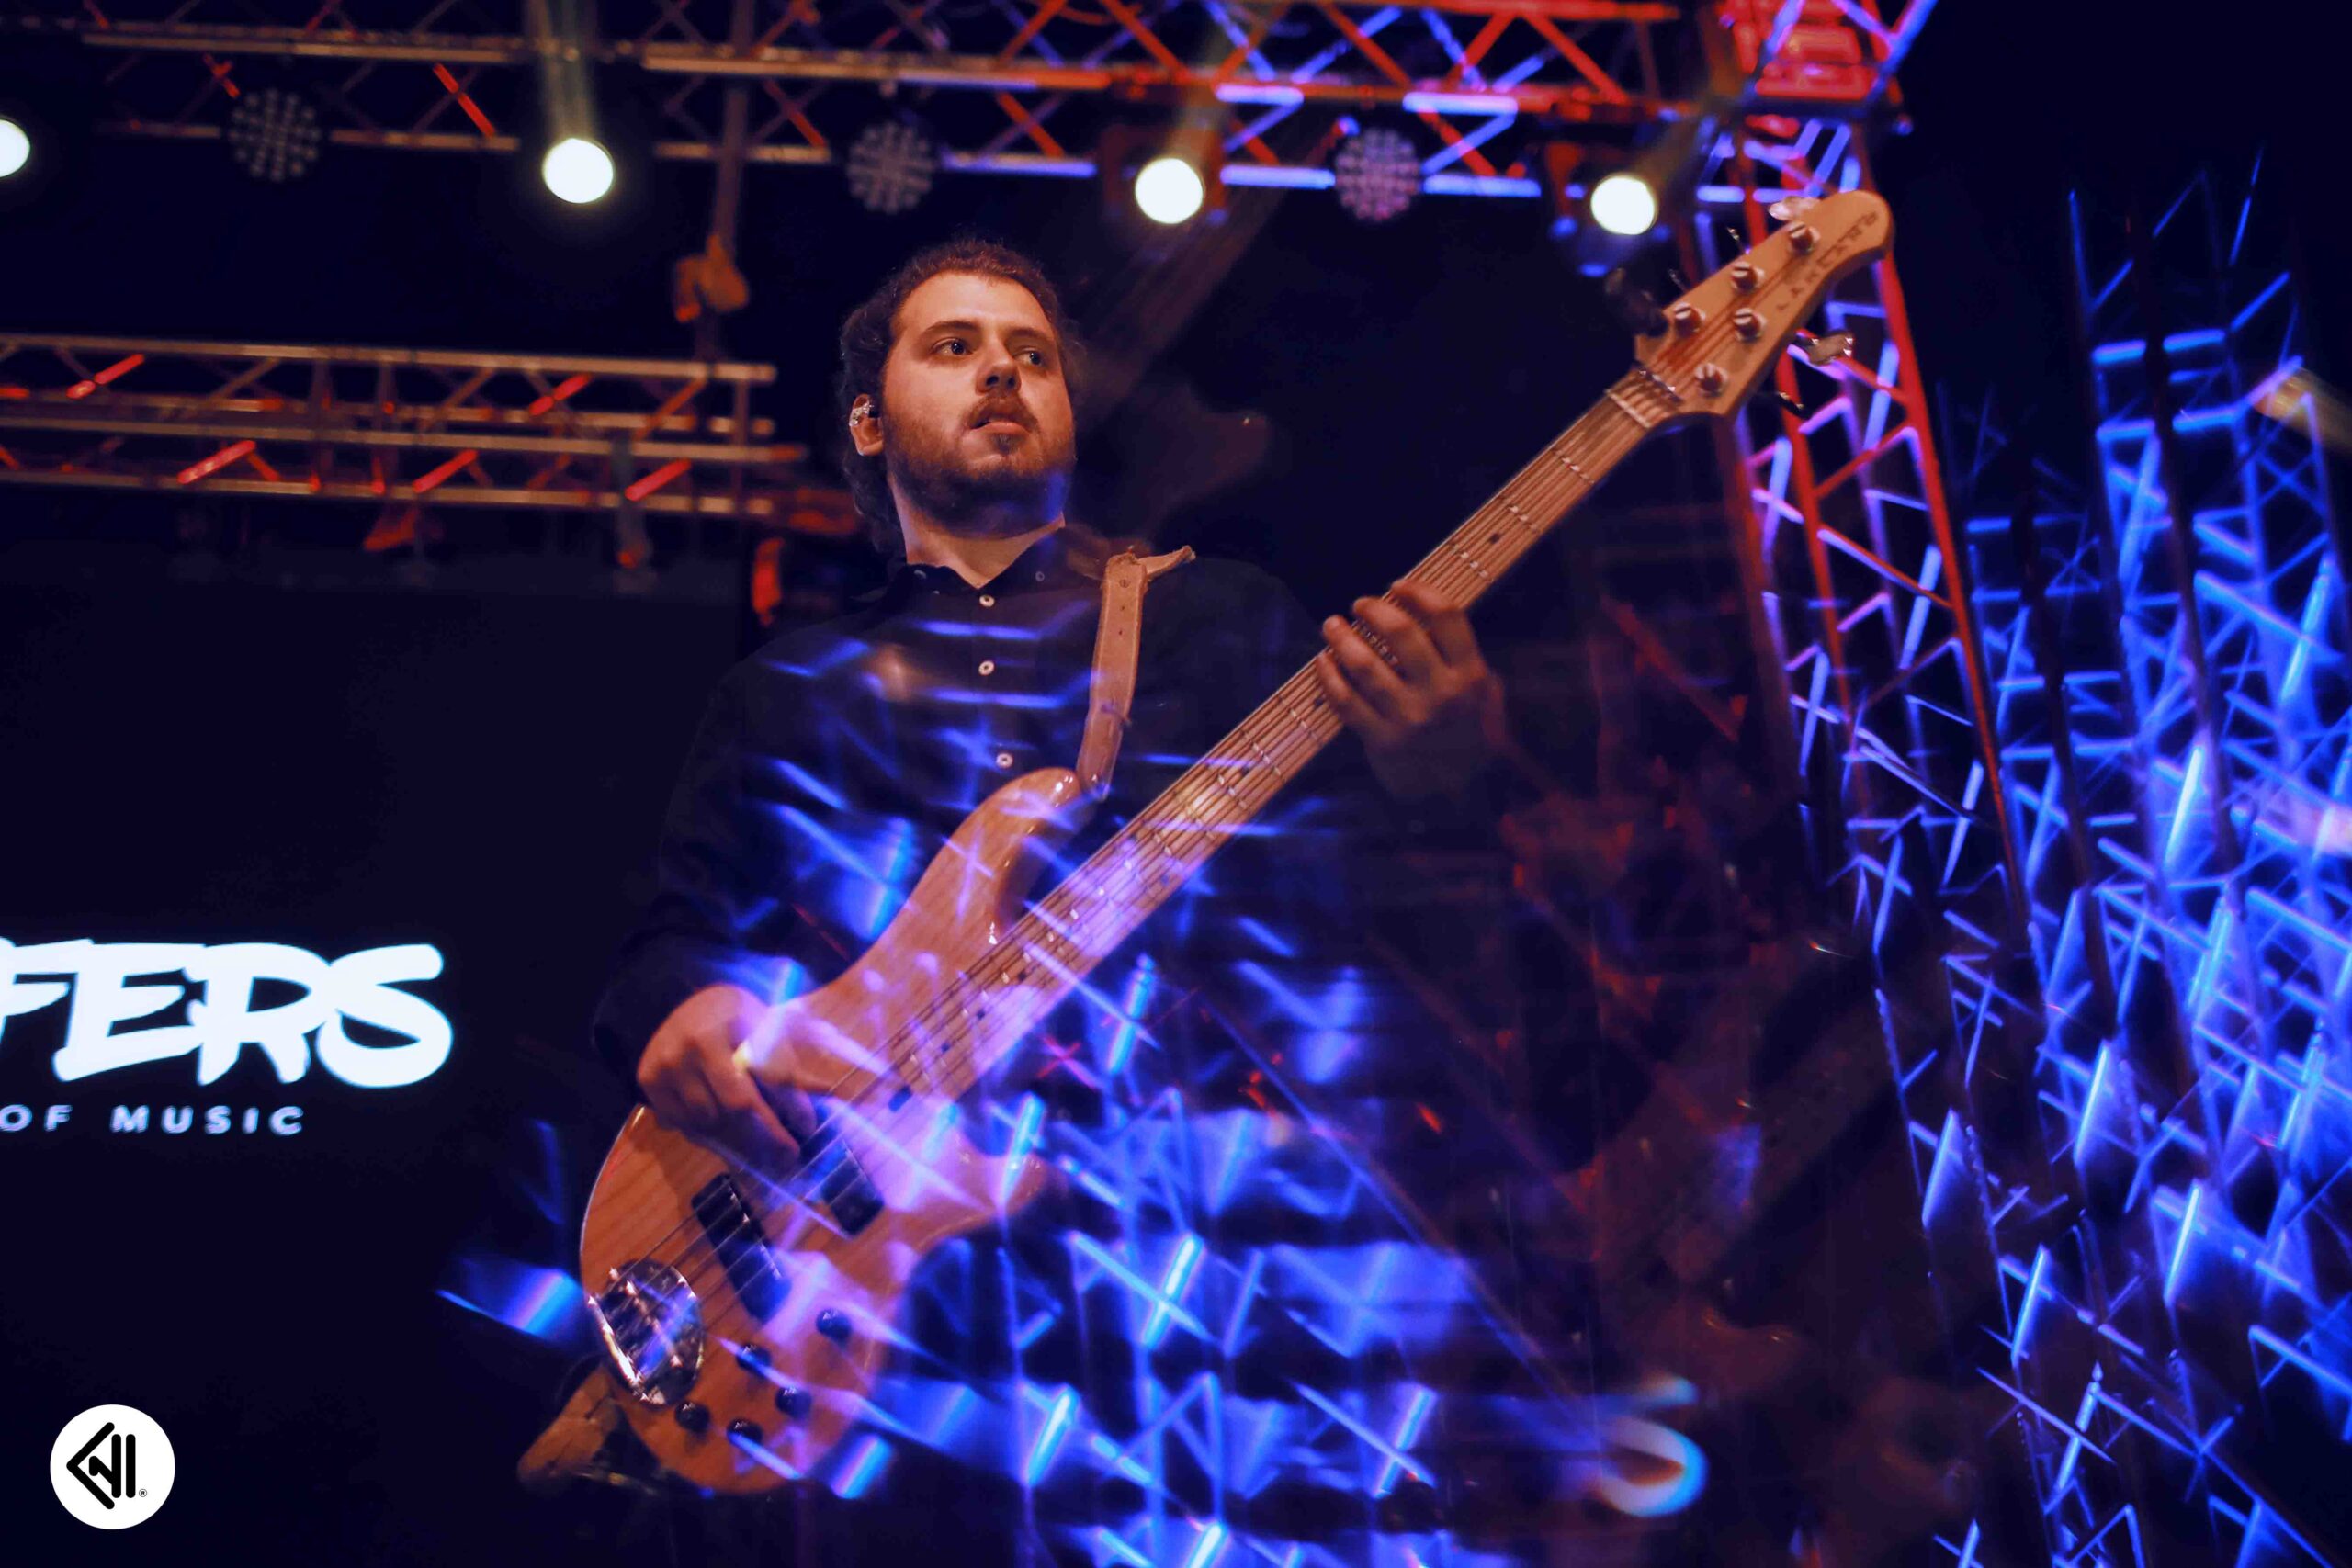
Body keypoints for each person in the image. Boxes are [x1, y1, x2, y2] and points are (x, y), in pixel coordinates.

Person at [592, 238, 1514, 1169]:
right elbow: (671, 941)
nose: (1002, 368)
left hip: (1189, 1199)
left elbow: (1386, 935)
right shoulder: (787, 692)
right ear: (868, 422)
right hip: (863, 1213)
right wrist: (682, 1006)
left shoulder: (1224, 622)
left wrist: (1441, 776)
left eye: (1033, 356)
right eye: (955, 346)